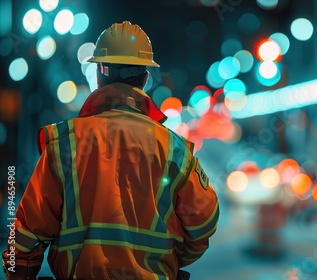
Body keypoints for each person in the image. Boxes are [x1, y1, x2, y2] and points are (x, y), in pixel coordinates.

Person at [2, 21, 219, 280]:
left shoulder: (64, 143)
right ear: (145, 77)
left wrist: (18, 275)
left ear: (98, 74)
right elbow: (204, 222)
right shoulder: (173, 148)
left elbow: (25, 234)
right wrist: (173, 256)